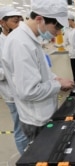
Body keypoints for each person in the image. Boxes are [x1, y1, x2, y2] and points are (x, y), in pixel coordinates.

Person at [2, 0, 75, 143]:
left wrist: (56, 79)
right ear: (40, 19)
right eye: (57, 26)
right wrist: (58, 85)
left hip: (43, 112)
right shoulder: (20, 43)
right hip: (36, 119)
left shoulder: (30, 39)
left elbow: (41, 72)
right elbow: (28, 91)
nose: (59, 32)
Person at [0, 6, 29, 155]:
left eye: (19, 21)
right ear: (2, 22)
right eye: (14, 21)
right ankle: (25, 157)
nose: (18, 25)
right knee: (20, 128)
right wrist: (12, 71)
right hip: (11, 93)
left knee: (30, 125)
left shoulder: (20, 38)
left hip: (27, 90)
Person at [63, 12, 75, 82]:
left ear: (71, 20)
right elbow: (66, 42)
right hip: (72, 55)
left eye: (67, 20)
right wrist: (61, 45)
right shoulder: (67, 30)